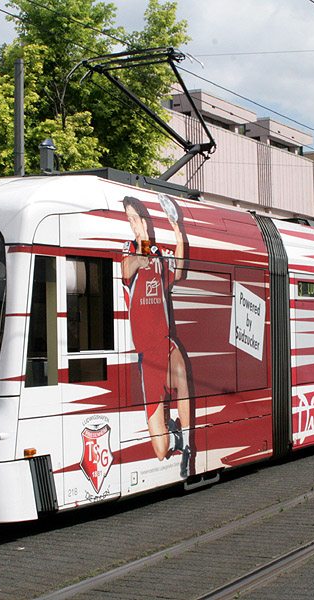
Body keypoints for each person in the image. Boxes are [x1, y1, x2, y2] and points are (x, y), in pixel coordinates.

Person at [121, 195, 193, 478]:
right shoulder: (129, 250)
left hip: (165, 341)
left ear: (146, 219)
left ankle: (187, 445)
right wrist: (140, 242)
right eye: (128, 220)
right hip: (145, 351)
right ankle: (174, 440)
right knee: (160, 451)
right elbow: (129, 268)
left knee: (183, 380)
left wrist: (177, 231)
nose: (133, 224)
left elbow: (180, 270)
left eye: (135, 218)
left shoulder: (160, 257)